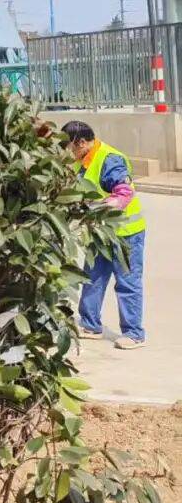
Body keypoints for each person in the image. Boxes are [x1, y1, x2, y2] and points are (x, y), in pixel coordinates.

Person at [61, 120, 147, 350]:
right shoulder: (82, 160)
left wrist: (95, 208)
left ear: (80, 143)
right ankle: (91, 325)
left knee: (127, 283)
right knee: (92, 278)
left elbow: (124, 194)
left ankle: (134, 333)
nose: (67, 152)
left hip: (125, 233)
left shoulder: (110, 160)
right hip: (99, 233)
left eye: (68, 147)